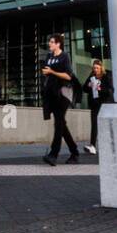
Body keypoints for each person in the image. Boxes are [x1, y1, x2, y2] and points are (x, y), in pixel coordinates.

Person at [41, 33, 79, 166]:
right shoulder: (49, 56)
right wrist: (47, 74)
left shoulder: (65, 56)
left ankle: (53, 155)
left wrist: (52, 72)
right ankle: (74, 152)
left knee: (58, 123)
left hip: (63, 93)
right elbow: (47, 72)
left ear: (58, 44)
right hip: (52, 93)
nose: (49, 44)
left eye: (52, 42)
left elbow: (68, 76)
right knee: (61, 123)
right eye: (49, 42)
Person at [82, 59, 112, 155]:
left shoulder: (106, 76)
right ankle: (92, 146)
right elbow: (84, 88)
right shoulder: (92, 76)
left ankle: (108, 144)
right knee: (94, 124)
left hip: (104, 103)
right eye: (94, 68)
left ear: (101, 68)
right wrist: (89, 85)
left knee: (104, 124)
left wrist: (100, 88)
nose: (95, 70)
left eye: (97, 68)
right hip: (94, 103)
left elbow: (110, 90)